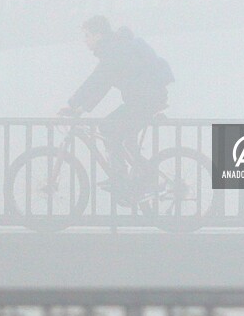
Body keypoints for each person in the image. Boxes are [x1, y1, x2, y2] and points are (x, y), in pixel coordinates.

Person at [58, 15, 174, 201]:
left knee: (108, 128)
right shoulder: (116, 47)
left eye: (87, 35)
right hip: (144, 99)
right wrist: (81, 109)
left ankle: (134, 181)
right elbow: (103, 84)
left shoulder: (113, 51)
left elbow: (97, 80)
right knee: (123, 137)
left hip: (145, 100)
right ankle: (128, 181)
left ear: (98, 35)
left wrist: (73, 103)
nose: (85, 41)